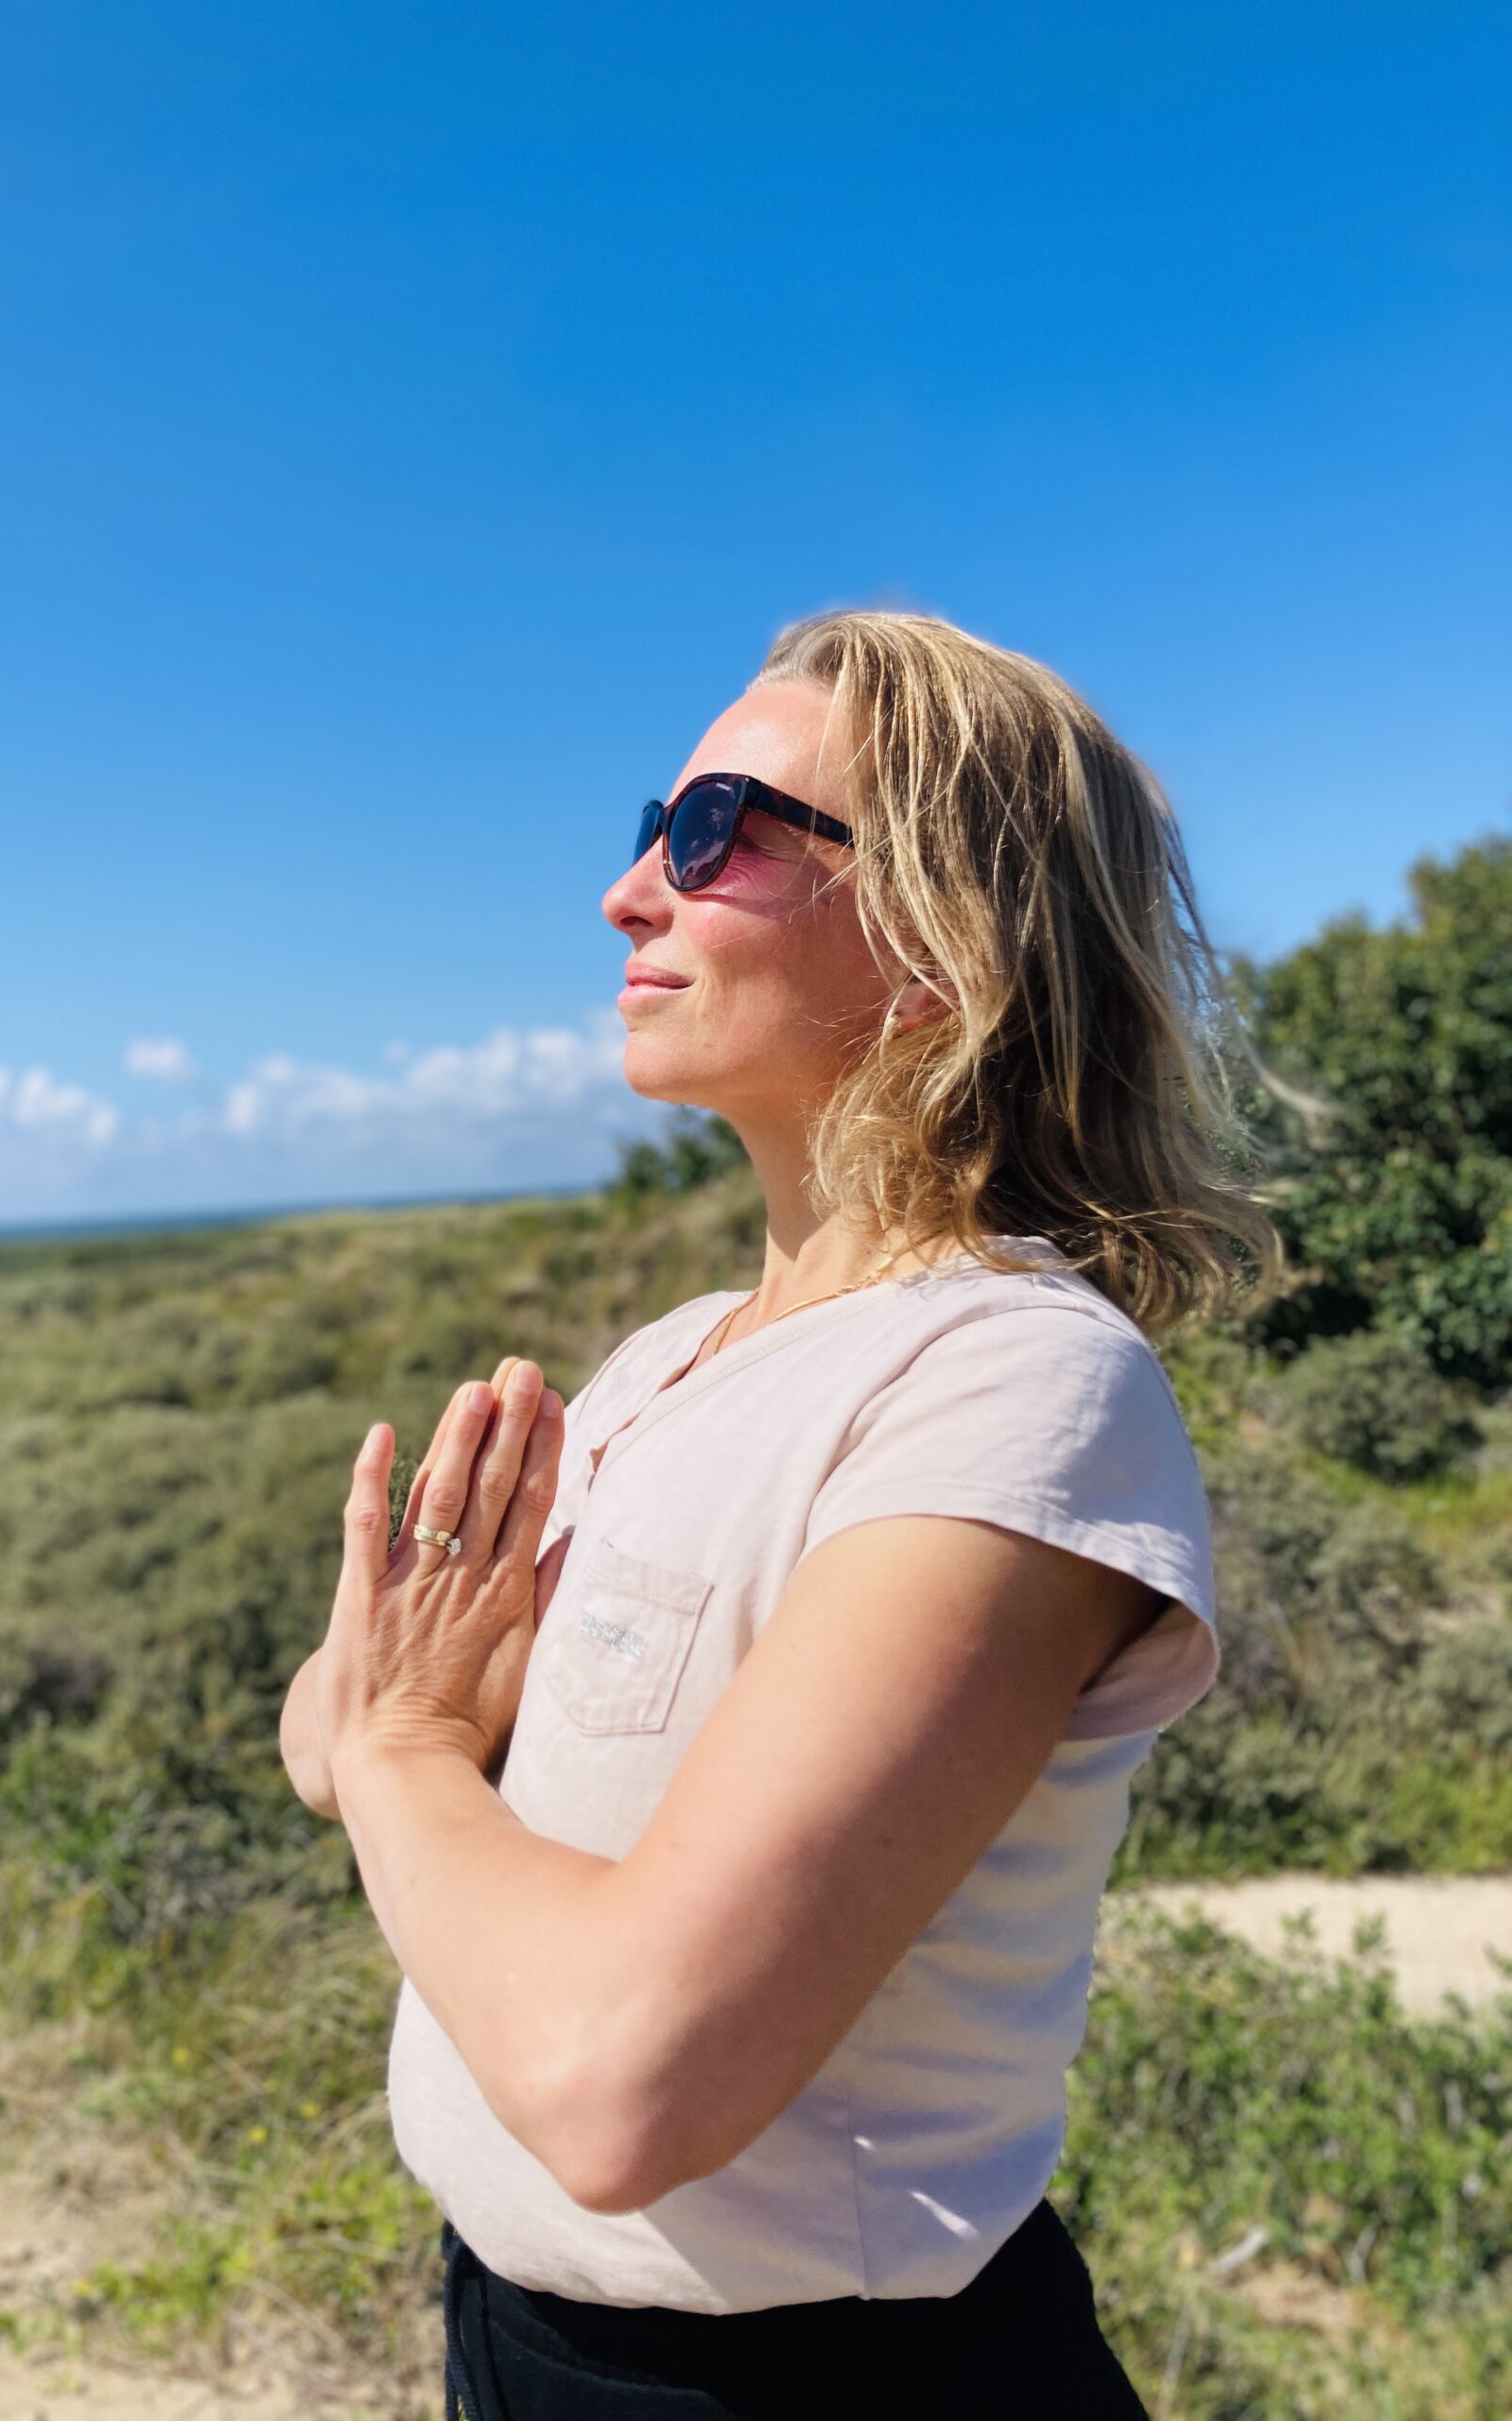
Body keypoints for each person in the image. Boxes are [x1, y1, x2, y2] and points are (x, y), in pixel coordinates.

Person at [280, 608, 1278, 2419]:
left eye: (712, 830)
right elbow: (318, 1735)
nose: (624, 893)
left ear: (941, 934)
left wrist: (418, 1732)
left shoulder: (1011, 1389)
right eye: (649, 821)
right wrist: (399, 1724)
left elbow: (617, 2078)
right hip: (514, 2338)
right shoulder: (673, 1358)